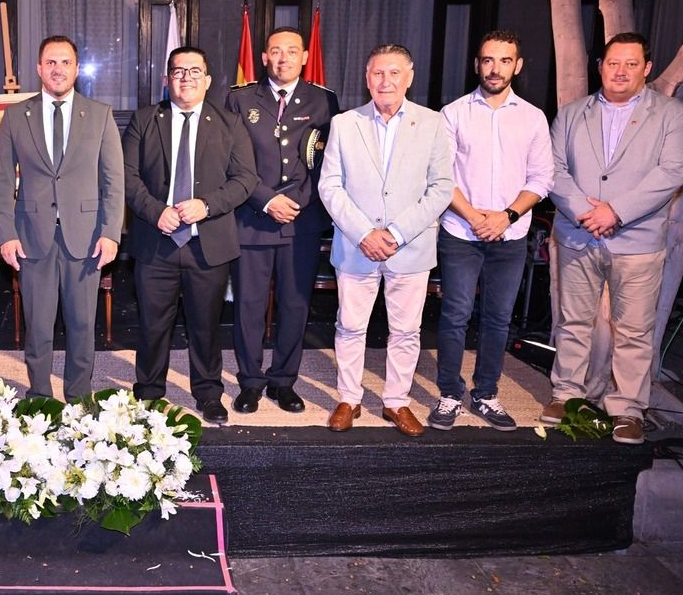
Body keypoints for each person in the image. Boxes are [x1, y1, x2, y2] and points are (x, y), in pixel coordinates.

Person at [545, 32, 683, 445]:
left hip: (638, 240)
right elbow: (553, 169)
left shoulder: (673, 116)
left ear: (647, 68)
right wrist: (585, 211)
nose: (621, 72)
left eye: (631, 64)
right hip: (578, 234)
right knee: (573, 321)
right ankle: (566, 395)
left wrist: (615, 211)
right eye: (613, 63)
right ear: (601, 67)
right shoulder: (571, 114)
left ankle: (628, 409)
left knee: (634, 330)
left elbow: (671, 173)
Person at [317, 44, 453, 436]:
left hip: (409, 247)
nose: (386, 81)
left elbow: (441, 188)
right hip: (356, 245)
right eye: (378, 73)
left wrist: (395, 233)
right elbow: (330, 186)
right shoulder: (345, 123)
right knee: (349, 326)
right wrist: (364, 233)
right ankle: (349, 398)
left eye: (394, 73)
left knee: (407, 330)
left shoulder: (432, 124)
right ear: (367, 78)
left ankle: (396, 402)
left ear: (409, 77)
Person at [124, 47, 257, 424]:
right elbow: (126, 176)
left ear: (208, 80)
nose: (186, 78)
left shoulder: (230, 123)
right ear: (166, 79)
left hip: (207, 244)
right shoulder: (144, 120)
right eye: (178, 71)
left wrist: (207, 205)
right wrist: (156, 211)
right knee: (153, 325)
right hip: (157, 242)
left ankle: (208, 392)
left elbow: (246, 179)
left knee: (206, 326)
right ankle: (149, 392)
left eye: (195, 71)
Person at [429, 30, 553, 432]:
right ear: (476, 65)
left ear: (517, 66)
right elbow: (441, 176)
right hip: (460, 233)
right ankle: (450, 394)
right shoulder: (453, 114)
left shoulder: (533, 117)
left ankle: (486, 394)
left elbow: (542, 178)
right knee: (455, 315)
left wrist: (506, 217)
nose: (495, 68)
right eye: (487, 60)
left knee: (498, 319)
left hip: (510, 236)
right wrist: (474, 217)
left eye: (504, 60)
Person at [0, 36, 124, 401]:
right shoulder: (16, 116)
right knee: (37, 328)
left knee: (82, 325)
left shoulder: (100, 115)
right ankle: (39, 397)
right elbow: (2, 180)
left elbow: (114, 181)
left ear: (77, 69)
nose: (58, 69)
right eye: (51, 62)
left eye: (65, 62)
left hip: (86, 237)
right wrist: (6, 234)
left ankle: (79, 398)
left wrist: (111, 233)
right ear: (39, 68)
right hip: (32, 237)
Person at [227, 26, 339, 415]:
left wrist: (297, 201)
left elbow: (329, 162)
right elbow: (232, 160)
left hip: (301, 221)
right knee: (249, 306)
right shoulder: (240, 99)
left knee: (295, 304)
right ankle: (250, 381)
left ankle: (283, 381)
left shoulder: (324, 101)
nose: (283, 58)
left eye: (292, 51)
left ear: (305, 57)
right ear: (264, 58)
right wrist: (267, 199)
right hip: (252, 219)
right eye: (276, 51)